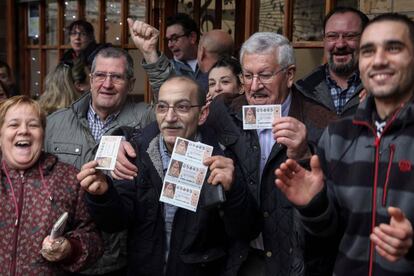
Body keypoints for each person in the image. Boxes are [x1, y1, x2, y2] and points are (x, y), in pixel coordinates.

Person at [112, 32, 337, 276]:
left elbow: (334, 213)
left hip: (294, 262)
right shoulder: (225, 110)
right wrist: (119, 138)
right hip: (239, 260)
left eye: (264, 75)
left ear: (290, 75)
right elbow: (175, 117)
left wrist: (304, 153)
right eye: (248, 75)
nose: (254, 86)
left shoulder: (323, 123)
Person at [275, 13, 414, 276]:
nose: (380, 59)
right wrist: (314, 206)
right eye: (369, 50)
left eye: (394, 48)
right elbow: (329, 236)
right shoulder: (338, 135)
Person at [78, 76, 261, 275]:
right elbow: (116, 222)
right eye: (162, 107)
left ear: (202, 114)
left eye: (182, 107)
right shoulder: (137, 153)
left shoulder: (222, 157)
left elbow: (246, 231)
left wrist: (233, 190)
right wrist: (102, 196)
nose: (170, 117)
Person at [44, 47, 155, 275]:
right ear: (91, 79)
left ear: (131, 83)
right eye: (101, 76)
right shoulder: (56, 123)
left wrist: (152, 55)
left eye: (116, 77)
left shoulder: (146, 119)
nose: (107, 84)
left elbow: (180, 105)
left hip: (119, 258)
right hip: (65, 256)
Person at [0, 96, 103, 275]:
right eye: (13, 125)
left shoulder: (69, 177)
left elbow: (94, 240)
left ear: (43, 133)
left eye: (33, 125)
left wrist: (70, 248)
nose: (23, 131)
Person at [127, 18, 234, 98]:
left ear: (192, 37)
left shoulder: (226, 69)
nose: (170, 45)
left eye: (174, 38)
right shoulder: (166, 69)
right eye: (168, 40)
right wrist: (149, 52)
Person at [295, 7, 369, 117]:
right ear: (324, 41)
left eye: (350, 36)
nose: (340, 45)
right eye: (332, 36)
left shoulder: (382, 88)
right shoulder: (301, 90)